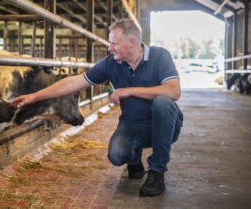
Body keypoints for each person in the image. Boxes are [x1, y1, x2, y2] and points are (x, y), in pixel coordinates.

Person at [10, 18, 183, 197]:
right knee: (116, 155)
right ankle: (134, 157)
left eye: (114, 43)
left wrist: (130, 91)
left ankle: (157, 172)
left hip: (165, 125)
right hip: (133, 123)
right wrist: (34, 96)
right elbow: (74, 82)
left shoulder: (159, 56)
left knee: (163, 103)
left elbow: (174, 91)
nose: (110, 48)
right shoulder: (111, 63)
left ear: (132, 42)